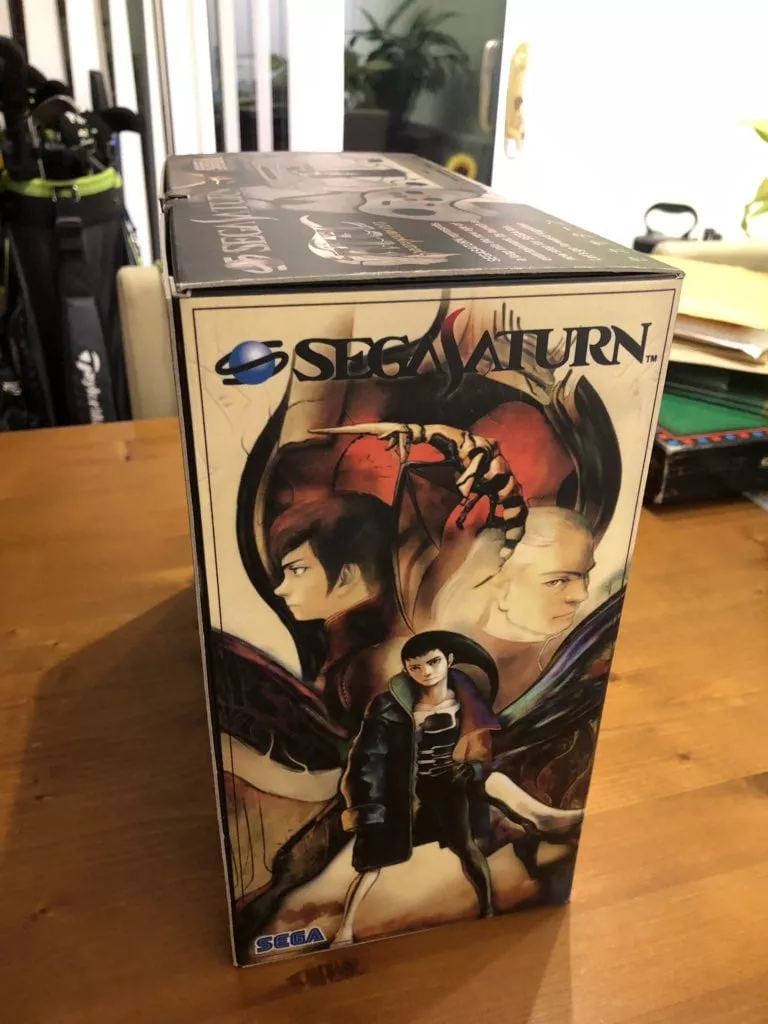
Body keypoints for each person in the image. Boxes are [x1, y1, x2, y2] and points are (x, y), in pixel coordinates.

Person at [334, 631, 500, 945]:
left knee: (466, 847)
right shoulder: (387, 707)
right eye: (416, 667)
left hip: (450, 787)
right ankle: (344, 929)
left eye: (433, 662)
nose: (426, 672)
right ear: (406, 670)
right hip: (400, 790)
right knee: (373, 859)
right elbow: (367, 758)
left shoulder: (468, 701)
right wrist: (367, 806)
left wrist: (472, 770)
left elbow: (486, 749)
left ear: (449, 660)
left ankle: (489, 911)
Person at [433, 507, 595, 707]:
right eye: (557, 581)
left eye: (585, 575)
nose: (582, 595)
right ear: (497, 585)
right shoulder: (454, 669)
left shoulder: (585, 640)